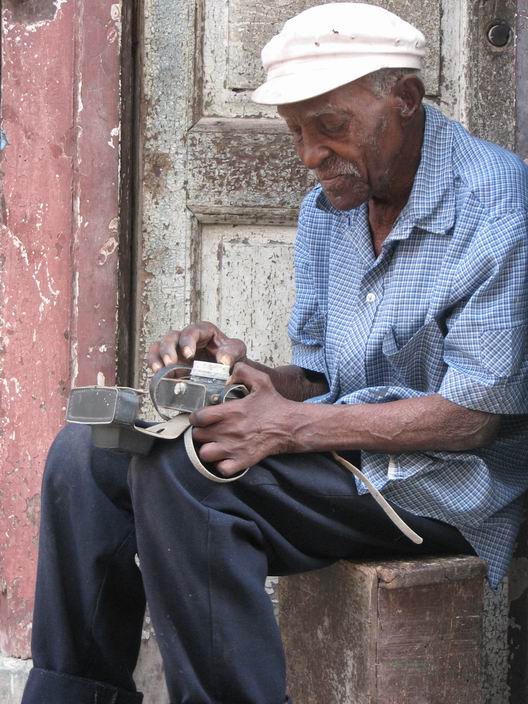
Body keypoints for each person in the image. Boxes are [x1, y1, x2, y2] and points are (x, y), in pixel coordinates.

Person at [22, 3, 528, 703]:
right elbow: (322, 376)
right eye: (297, 134)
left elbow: (473, 419)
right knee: (92, 453)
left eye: (331, 127)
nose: (311, 156)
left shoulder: (496, 203)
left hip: (444, 486)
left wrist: (289, 427)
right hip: (346, 459)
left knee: (189, 473)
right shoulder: (331, 209)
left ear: (405, 99)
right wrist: (245, 375)